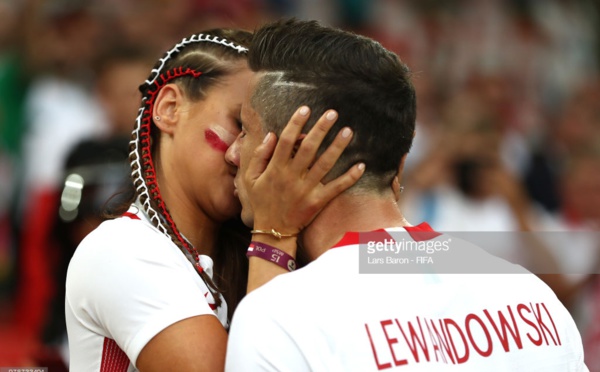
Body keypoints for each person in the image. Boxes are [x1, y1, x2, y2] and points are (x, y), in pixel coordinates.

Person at [224, 18, 588, 371]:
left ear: (297, 156)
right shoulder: (532, 296)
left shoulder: (281, 319)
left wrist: (270, 238)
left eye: (244, 130)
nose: (232, 153)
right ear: (398, 167)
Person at [65, 27, 363, 371]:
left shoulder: (248, 246)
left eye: (269, 136)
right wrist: (273, 232)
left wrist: (376, 181)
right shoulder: (120, 249)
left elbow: (418, 257)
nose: (246, 154)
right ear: (170, 107)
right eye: (241, 123)